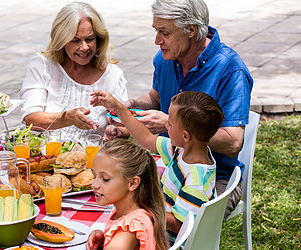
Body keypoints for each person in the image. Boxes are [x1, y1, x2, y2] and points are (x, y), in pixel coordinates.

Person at [105, 0, 253, 220]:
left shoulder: (230, 70)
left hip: (212, 178)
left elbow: (233, 143)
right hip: (171, 163)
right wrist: (131, 107)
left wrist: (170, 123)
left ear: (191, 30)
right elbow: (155, 97)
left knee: (139, 215)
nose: (157, 41)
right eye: (156, 30)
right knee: (110, 193)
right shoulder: (167, 57)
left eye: (164, 32)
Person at [16, 139, 169, 250]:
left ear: (133, 183)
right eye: (94, 176)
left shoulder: (130, 226)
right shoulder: (141, 213)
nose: (94, 184)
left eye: (105, 179)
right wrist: (108, 240)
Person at [91, 90, 224, 235]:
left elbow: (179, 225)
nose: (166, 127)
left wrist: (139, 209)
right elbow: (146, 138)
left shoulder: (196, 180)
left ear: (185, 135)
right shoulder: (184, 151)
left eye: (170, 124)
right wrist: (118, 107)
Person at [20, 1, 128, 142]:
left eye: (90, 39)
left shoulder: (113, 76)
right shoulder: (43, 65)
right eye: (75, 40)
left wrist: (116, 131)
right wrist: (67, 118)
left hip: (94, 159)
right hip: (45, 158)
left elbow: (126, 126)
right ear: (62, 40)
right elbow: (30, 119)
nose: (84, 47)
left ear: (99, 38)